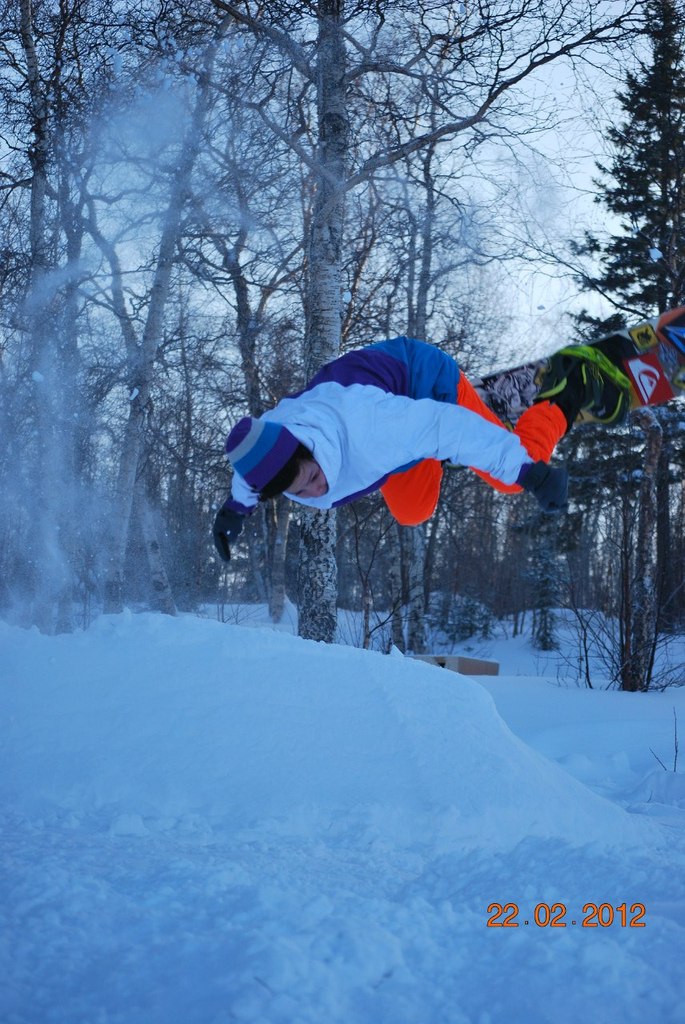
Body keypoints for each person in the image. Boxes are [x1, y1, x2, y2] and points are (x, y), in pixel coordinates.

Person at [212, 336, 616, 561]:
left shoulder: (373, 428)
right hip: (398, 419)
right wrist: (233, 512)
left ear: (308, 447)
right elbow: (250, 475)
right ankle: (456, 438)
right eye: (301, 490)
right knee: (412, 511)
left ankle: (567, 389)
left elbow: (443, 427)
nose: (316, 490)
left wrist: (532, 475)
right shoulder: (269, 450)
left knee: (510, 478)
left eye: (314, 475)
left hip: (424, 382)